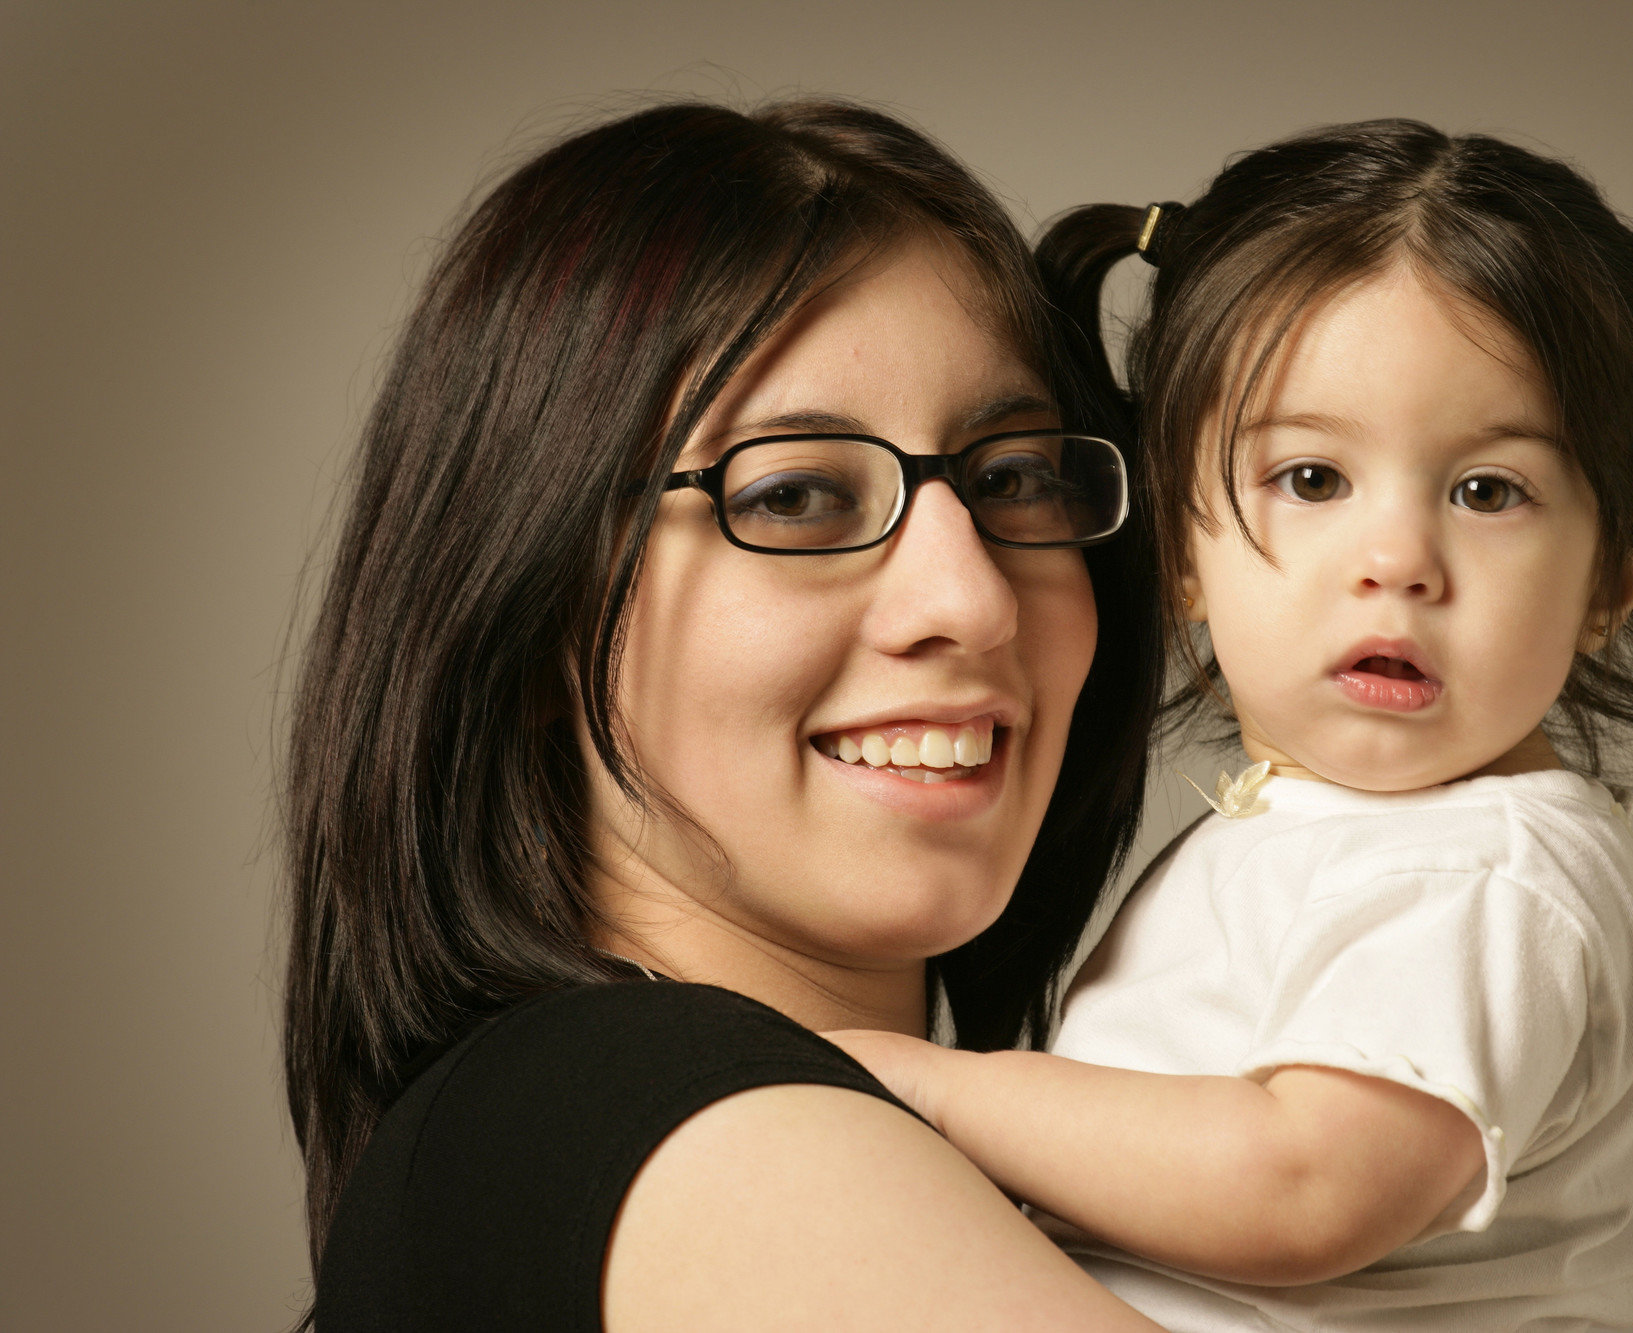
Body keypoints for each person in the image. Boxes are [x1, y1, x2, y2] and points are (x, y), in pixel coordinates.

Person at [832, 119, 1633, 1329]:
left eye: (1485, 491)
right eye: (1311, 479)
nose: (1395, 561)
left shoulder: (1478, 877)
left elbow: (1302, 1187)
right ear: (1180, 546)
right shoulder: (1333, 837)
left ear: (1611, 574)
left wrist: (916, 1083)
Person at [282, 99, 1167, 1331]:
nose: (970, 600)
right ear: (532, 613)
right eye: (794, 491)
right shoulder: (663, 1121)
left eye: (1009, 477)